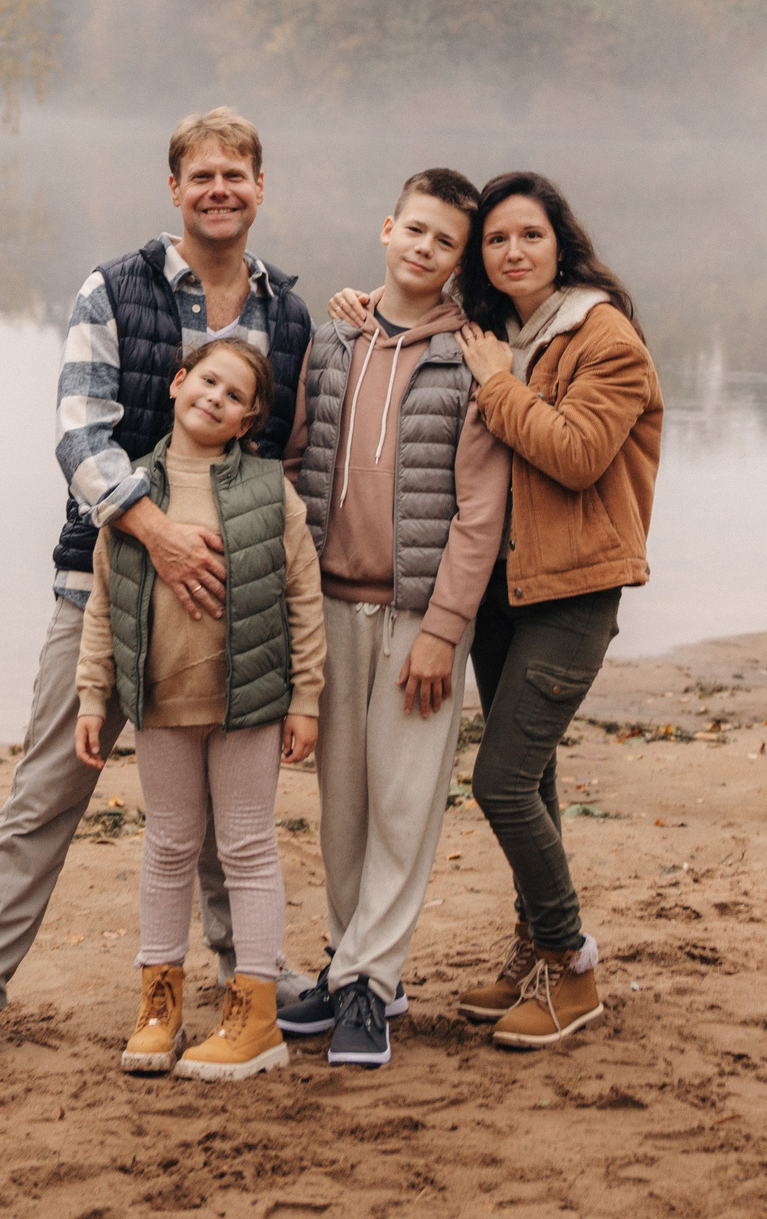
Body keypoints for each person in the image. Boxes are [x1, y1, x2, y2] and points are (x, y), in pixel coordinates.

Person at [0, 108, 314, 1063]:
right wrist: (155, 533)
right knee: (48, 789)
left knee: (218, 812)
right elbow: (80, 433)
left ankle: (250, 974)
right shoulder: (113, 287)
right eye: (200, 174)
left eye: (235, 175)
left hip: (232, 609)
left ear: (258, 187)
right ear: (174, 188)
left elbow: (288, 457)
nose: (218, 190)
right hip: (106, 588)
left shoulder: (286, 308)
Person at [273, 168, 508, 1069]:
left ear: (457, 259)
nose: (424, 248)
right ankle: (351, 963)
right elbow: (297, 461)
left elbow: (479, 512)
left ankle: (373, 984)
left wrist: (446, 626)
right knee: (342, 803)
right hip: (331, 604)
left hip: (417, 618)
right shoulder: (333, 343)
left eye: (444, 240)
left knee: (404, 802)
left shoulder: (471, 358)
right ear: (386, 228)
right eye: (414, 230)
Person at [440, 171, 659, 1050]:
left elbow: (575, 455)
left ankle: (573, 964)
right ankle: (535, 950)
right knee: (534, 778)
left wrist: (498, 386)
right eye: (495, 240)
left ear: (559, 242)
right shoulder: (495, 331)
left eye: (528, 235)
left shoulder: (604, 337)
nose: (512, 251)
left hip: (574, 589)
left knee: (498, 780)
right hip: (503, 587)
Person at [72, 338, 326, 1080]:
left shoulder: (268, 490)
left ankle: (255, 1014)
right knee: (170, 846)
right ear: (180, 382)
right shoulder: (132, 490)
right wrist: (94, 694)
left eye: (235, 394)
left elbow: (302, 597)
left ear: (249, 420)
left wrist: (305, 697)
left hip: (246, 699)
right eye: (207, 380)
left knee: (246, 846)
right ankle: (160, 1004)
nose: (215, 396)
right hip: (160, 700)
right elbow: (101, 604)